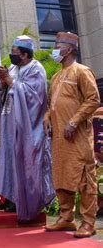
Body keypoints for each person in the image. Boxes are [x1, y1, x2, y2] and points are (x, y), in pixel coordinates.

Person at [0, 36, 55, 222]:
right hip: (11, 126)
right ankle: (15, 203)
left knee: (30, 163)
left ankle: (32, 207)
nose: (11, 55)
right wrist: (2, 83)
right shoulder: (14, 68)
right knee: (12, 161)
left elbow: (35, 98)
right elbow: (3, 94)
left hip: (29, 127)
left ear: (26, 54)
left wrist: (10, 81)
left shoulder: (36, 69)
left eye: (15, 52)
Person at [44, 32, 100, 238]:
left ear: (69, 49)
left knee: (84, 178)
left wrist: (74, 121)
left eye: (57, 45)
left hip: (78, 137)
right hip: (59, 138)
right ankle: (66, 219)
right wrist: (47, 118)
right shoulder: (57, 76)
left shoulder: (82, 71)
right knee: (61, 177)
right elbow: (52, 105)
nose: (55, 49)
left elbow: (93, 100)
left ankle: (88, 223)